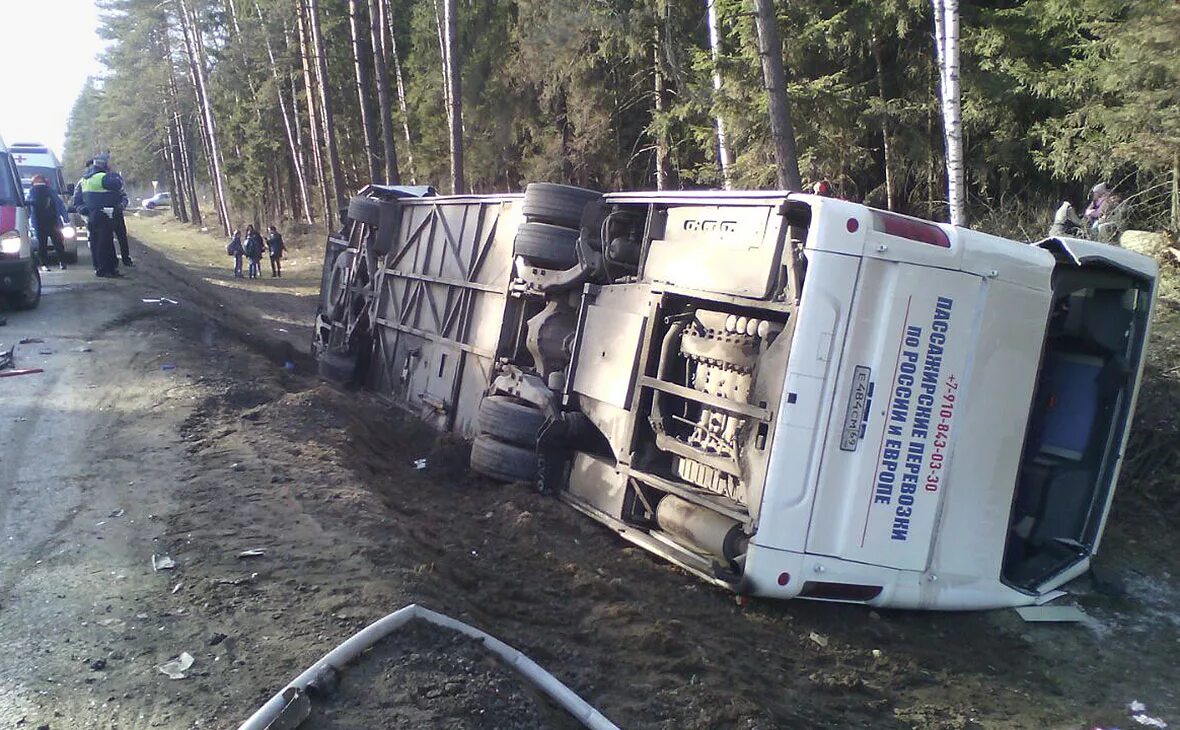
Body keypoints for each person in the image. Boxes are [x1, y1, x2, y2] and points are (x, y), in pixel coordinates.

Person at [73, 153, 124, 278]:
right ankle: (106, 269)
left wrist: (83, 210)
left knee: (96, 242)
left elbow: (77, 199)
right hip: (105, 213)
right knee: (105, 243)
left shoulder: (84, 179)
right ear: (104, 164)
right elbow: (118, 185)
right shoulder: (104, 177)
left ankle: (102, 267)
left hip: (92, 215)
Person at [27, 174, 69, 272]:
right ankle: (61, 262)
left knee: (43, 244)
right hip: (52, 222)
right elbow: (60, 204)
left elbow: (28, 207)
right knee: (57, 243)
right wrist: (65, 218)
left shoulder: (32, 192)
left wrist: (28, 220)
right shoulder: (50, 191)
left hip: (40, 222)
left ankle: (45, 264)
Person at [113, 189, 133, 267]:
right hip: (105, 214)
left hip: (117, 214)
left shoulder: (115, 182)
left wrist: (122, 205)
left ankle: (126, 259)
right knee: (107, 240)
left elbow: (124, 197)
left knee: (122, 238)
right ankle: (113, 260)